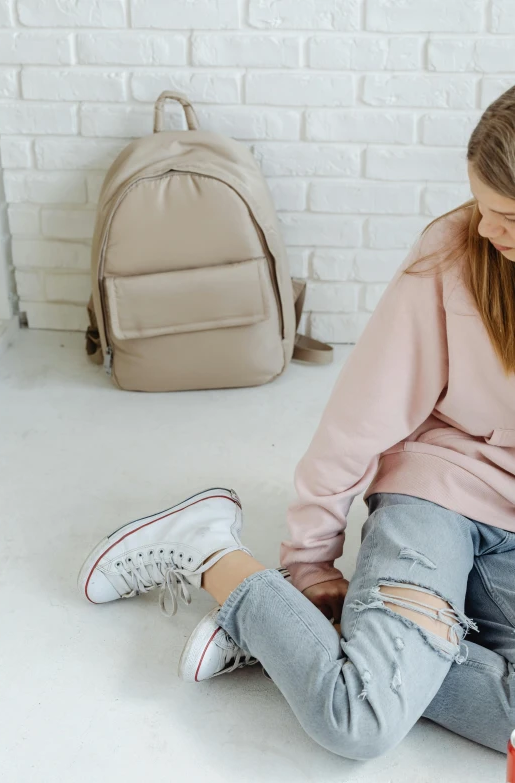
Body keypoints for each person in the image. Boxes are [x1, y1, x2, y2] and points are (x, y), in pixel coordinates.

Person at [79, 86, 515, 759]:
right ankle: (212, 554)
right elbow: (358, 418)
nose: (489, 229)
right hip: (439, 499)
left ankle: (299, 637)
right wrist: (309, 560)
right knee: (359, 718)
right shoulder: (454, 255)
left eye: (507, 216)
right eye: (485, 209)